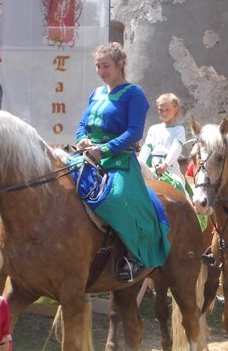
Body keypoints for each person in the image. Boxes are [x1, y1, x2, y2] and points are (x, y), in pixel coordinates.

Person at [73, 42, 171, 282]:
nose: (101, 71)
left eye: (105, 66)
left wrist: (104, 149)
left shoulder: (133, 93)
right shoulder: (95, 94)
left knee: (116, 198)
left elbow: (135, 131)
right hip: (86, 157)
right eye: (97, 66)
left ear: (120, 65)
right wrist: (83, 139)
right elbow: (82, 124)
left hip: (119, 160)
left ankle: (133, 254)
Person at [140, 93, 187, 185]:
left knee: (177, 187)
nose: (164, 113)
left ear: (175, 109)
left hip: (170, 168)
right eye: (161, 110)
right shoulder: (153, 129)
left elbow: (176, 148)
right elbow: (146, 148)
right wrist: (140, 164)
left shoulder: (178, 129)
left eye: (167, 110)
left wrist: (165, 165)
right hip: (152, 167)